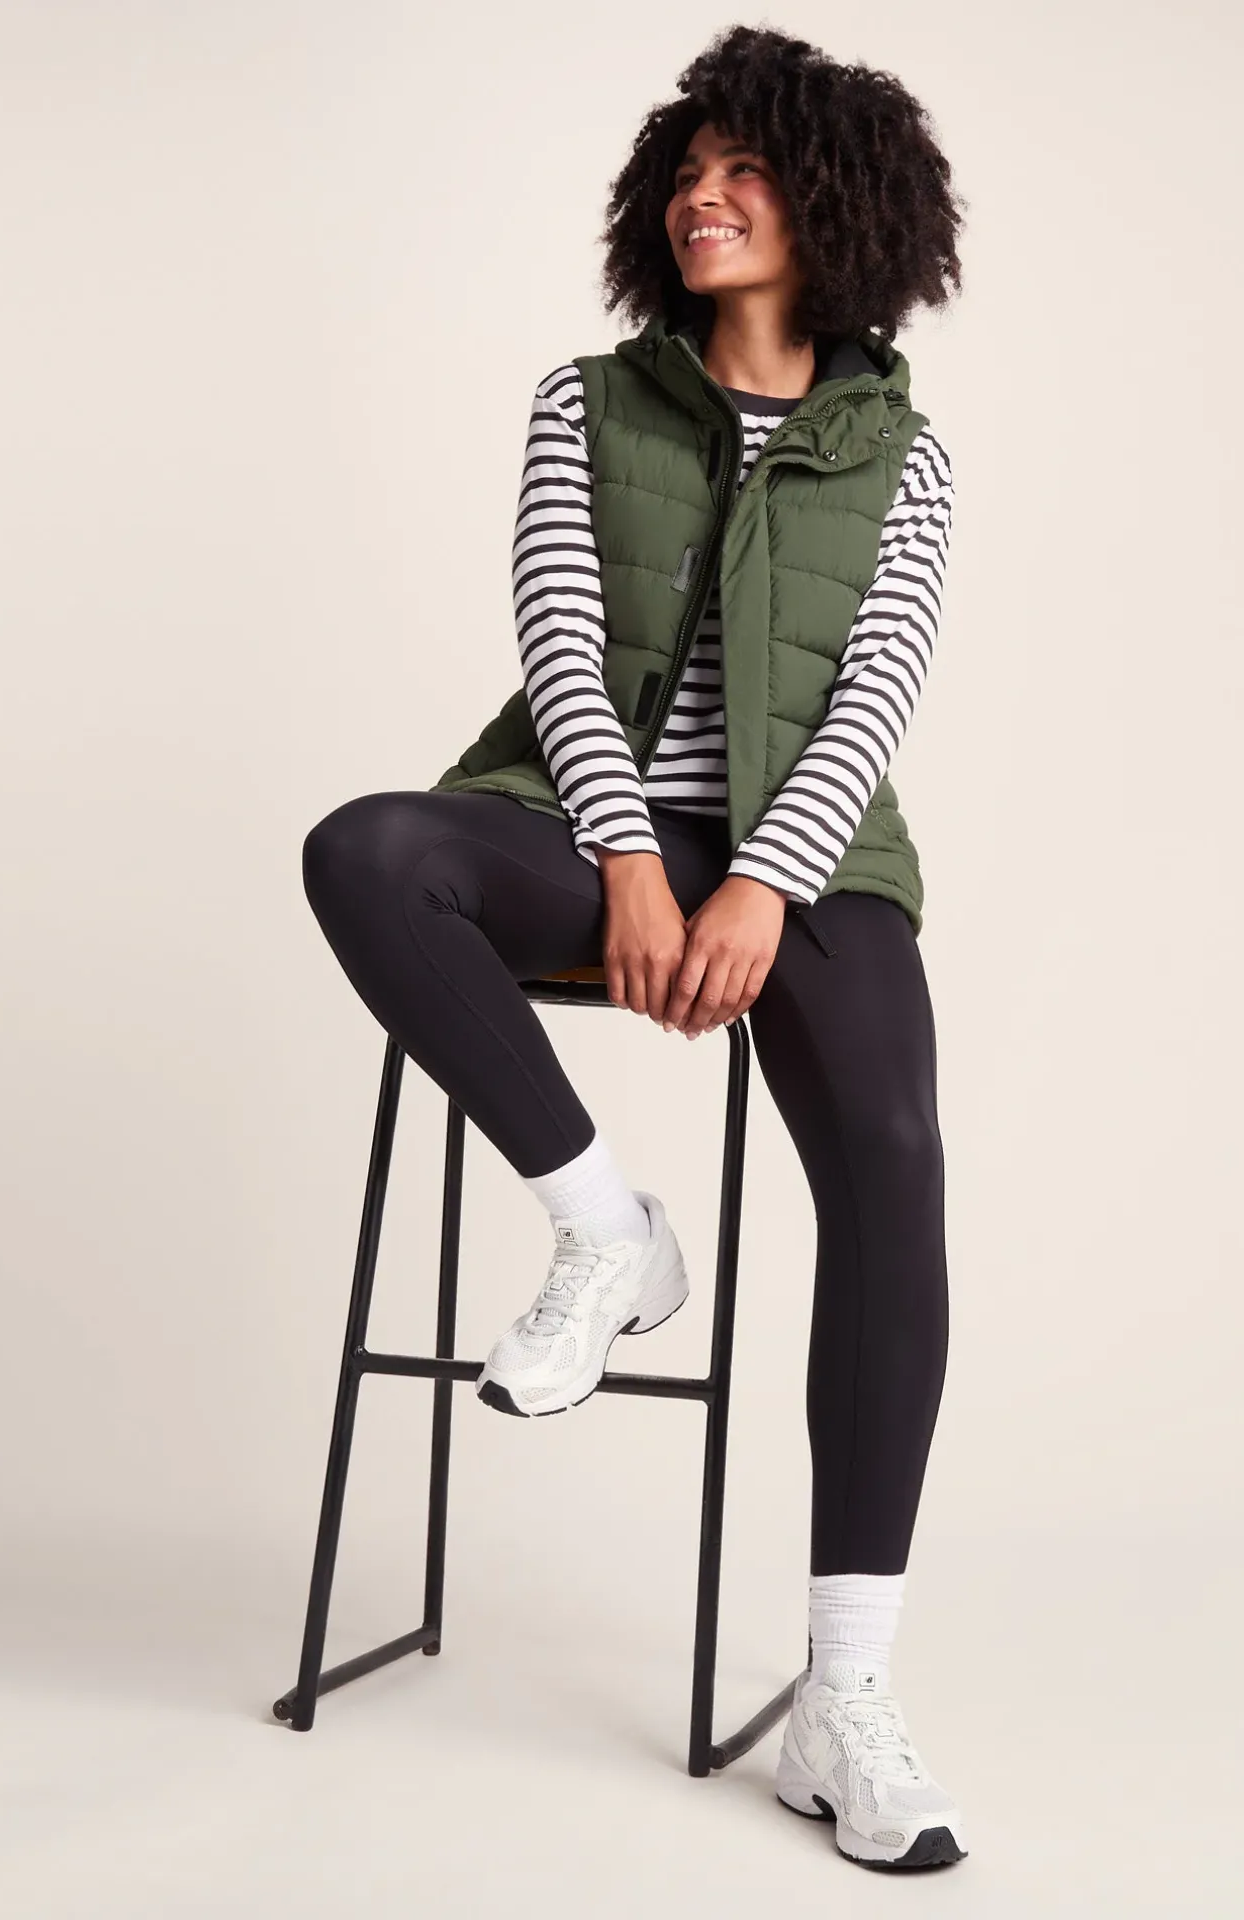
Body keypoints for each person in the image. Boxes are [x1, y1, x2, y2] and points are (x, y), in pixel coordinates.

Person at [300, 23, 966, 1872]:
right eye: (688, 169)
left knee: (896, 1163)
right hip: (582, 821)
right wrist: (628, 864)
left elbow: (873, 697)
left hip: (810, 857)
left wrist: (759, 884)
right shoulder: (584, 404)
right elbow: (557, 638)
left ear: (837, 204)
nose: (703, 195)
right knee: (368, 853)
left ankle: (845, 1694)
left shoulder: (905, 459)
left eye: (746, 171)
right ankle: (609, 1231)